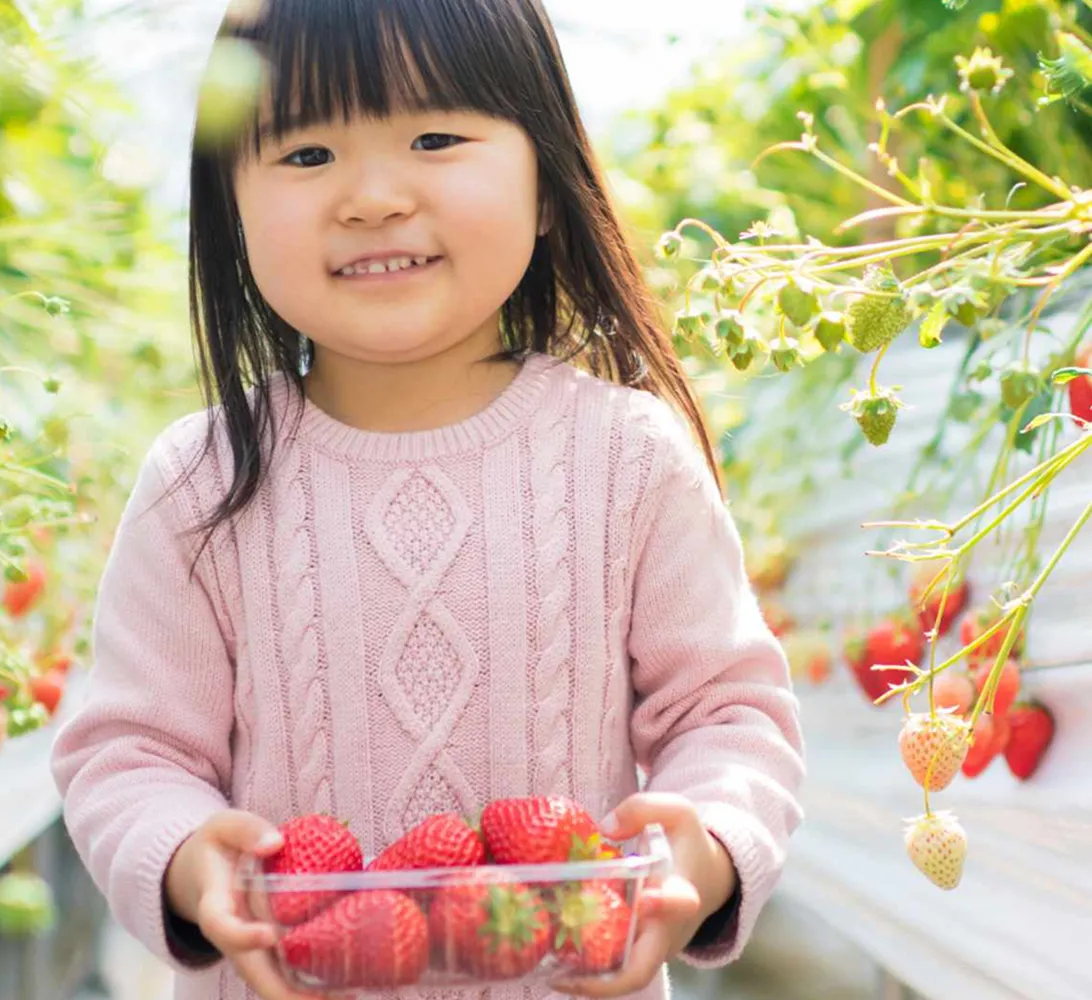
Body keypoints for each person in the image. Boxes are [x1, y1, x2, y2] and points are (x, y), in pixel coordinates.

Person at [50, 0, 805, 998]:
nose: (371, 196)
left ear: (546, 183)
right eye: (307, 153)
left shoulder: (626, 456)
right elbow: (128, 749)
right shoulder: (200, 480)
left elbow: (730, 712)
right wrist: (189, 854)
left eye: (436, 137)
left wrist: (703, 845)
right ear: (228, 204)